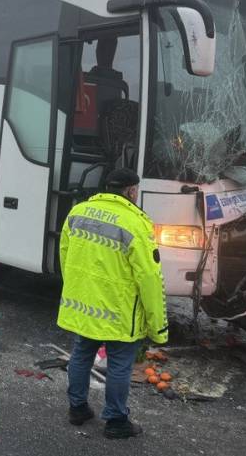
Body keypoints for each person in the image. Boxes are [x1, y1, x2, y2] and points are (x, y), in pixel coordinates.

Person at [58, 167, 168, 439]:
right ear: (131, 191)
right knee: (120, 364)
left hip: (84, 306)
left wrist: (77, 290)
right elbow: (149, 278)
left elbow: (64, 255)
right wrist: (158, 327)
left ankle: (78, 408)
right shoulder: (136, 223)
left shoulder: (78, 212)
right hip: (119, 311)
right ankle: (116, 421)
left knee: (82, 354)